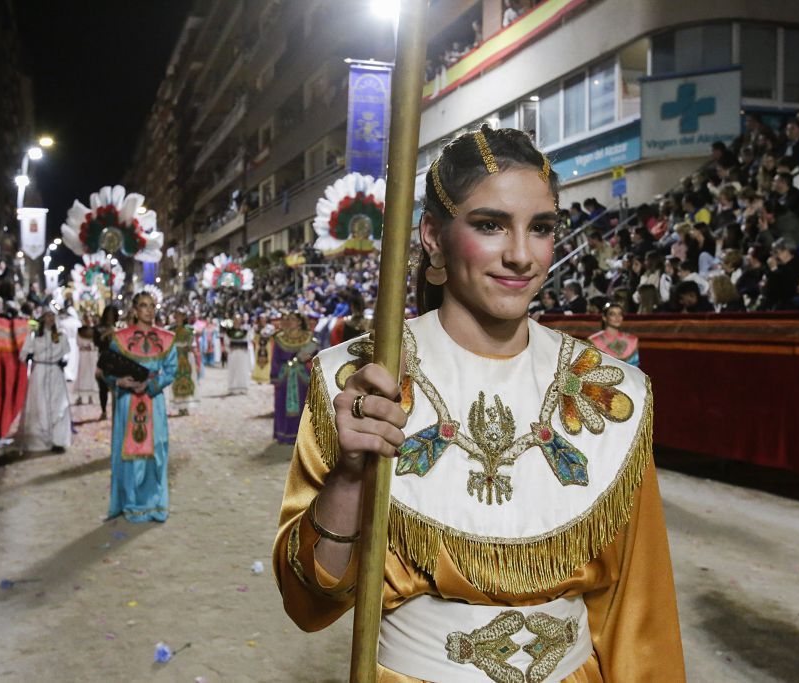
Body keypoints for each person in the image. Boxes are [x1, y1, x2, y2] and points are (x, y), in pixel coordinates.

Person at [273, 125, 684, 681]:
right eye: (490, 225)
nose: (520, 255)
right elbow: (309, 601)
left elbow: (639, 611)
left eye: (540, 228)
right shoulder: (358, 380)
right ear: (433, 237)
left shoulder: (611, 389)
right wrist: (348, 480)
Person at [103, 292, 177, 522]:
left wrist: (152, 384)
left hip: (153, 402)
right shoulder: (119, 338)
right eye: (144, 306)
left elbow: (171, 370)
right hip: (128, 402)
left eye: (152, 306)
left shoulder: (166, 338)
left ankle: (154, 503)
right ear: (135, 310)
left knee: (156, 448)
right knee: (128, 453)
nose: (149, 310)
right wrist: (119, 382)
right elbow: (107, 370)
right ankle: (131, 502)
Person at [17, 310, 72, 453]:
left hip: (55, 373)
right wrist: (30, 356)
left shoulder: (60, 336)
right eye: (47, 316)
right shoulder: (34, 336)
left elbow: (66, 354)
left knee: (58, 404)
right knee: (39, 403)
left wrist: (63, 361)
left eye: (52, 316)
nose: (50, 319)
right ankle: (40, 439)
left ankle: (57, 440)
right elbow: (23, 354)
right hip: (40, 372)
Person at [270, 312, 317, 444]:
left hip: (302, 376)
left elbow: (316, 356)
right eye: (289, 319)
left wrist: (308, 359)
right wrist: (275, 375)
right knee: (282, 405)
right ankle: (284, 434)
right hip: (284, 376)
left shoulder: (309, 338)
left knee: (304, 405)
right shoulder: (280, 338)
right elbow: (275, 359)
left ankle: (303, 435)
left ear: (300, 322)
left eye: (293, 319)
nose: (290, 322)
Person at [588, 302, 639, 366]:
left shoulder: (632, 340)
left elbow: (635, 368)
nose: (617, 317)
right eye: (612, 314)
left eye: (620, 314)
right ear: (604, 317)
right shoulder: (594, 341)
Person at [93, 305, 119, 421]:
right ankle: (103, 410)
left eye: (112, 314)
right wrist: (105, 335)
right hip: (104, 358)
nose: (110, 317)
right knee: (102, 386)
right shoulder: (99, 328)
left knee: (117, 386)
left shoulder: (119, 327)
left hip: (117, 360)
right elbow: (97, 342)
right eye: (108, 314)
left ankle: (117, 410)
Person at [169, 309, 197, 416]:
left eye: (181, 316)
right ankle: (179, 405)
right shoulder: (171, 330)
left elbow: (192, 344)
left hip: (186, 357)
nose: (178, 318)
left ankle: (186, 405)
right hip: (175, 357)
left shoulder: (189, 330)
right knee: (176, 380)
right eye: (177, 316)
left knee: (186, 379)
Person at [74, 313, 99, 406]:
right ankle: (80, 397)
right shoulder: (80, 330)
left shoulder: (95, 331)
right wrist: (84, 345)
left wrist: (92, 346)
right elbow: (78, 341)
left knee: (91, 375)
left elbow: (97, 342)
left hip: (92, 355)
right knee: (82, 374)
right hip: (83, 356)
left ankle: (90, 397)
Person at [224, 316, 252, 395]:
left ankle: (243, 387)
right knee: (233, 370)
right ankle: (232, 388)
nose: (237, 321)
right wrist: (229, 349)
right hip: (233, 354)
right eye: (235, 320)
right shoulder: (229, 332)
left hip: (242, 354)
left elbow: (248, 342)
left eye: (238, 320)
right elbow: (226, 343)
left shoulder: (245, 332)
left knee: (243, 370)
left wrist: (243, 346)